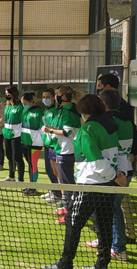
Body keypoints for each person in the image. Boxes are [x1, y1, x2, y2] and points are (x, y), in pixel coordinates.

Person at [42, 94, 126, 269]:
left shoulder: (87, 130)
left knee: (73, 223)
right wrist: (120, 175)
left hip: (89, 185)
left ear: (83, 111)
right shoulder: (110, 125)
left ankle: (65, 266)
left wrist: (114, 176)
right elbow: (119, 154)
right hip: (107, 186)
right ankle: (101, 268)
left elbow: (96, 161)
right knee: (104, 226)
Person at [83, 88, 135, 261]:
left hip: (115, 174)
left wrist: (115, 175)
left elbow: (112, 151)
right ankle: (105, 240)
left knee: (112, 210)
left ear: (103, 103)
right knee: (106, 210)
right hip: (122, 171)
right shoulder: (126, 120)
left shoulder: (110, 122)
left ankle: (118, 248)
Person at [96, 74, 137, 244]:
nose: (98, 87)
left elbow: (130, 133)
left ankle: (119, 240)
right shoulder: (117, 118)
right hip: (121, 166)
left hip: (119, 167)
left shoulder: (117, 116)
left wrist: (136, 151)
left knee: (115, 205)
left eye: (100, 85)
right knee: (116, 204)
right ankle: (118, 236)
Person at [42, 86, 81, 223]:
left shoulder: (70, 111)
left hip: (67, 151)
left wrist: (50, 131)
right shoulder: (61, 110)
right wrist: (50, 129)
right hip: (60, 149)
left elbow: (67, 132)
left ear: (63, 96)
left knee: (68, 183)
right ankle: (67, 207)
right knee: (63, 181)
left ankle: (71, 213)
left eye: (57, 94)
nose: (55, 97)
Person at [40, 88, 62, 204]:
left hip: (54, 144)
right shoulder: (46, 111)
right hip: (47, 144)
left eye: (47, 97)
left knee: (55, 171)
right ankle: (54, 190)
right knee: (49, 170)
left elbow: (54, 128)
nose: (45, 99)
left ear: (54, 98)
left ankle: (58, 194)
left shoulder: (56, 111)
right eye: (43, 97)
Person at [19, 92, 43, 195]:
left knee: (33, 165)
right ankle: (31, 185)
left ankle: (33, 188)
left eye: (25, 103)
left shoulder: (39, 112)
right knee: (30, 165)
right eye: (22, 103)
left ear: (31, 101)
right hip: (25, 142)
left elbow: (43, 128)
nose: (23, 105)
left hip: (35, 144)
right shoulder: (24, 110)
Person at [1, 85, 24, 182]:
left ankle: (20, 178)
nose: (7, 96)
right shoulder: (7, 106)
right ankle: (11, 176)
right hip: (7, 134)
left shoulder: (20, 107)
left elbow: (23, 121)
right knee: (9, 155)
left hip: (17, 135)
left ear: (14, 94)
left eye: (8, 94)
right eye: (6, 94)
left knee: (17, 157)